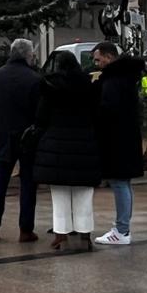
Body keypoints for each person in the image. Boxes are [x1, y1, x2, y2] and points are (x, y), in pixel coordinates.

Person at [33, 50, 100, 251]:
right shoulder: (88, 85)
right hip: (84, 144)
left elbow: (41, 117)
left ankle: (60, 234)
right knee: (84, 192)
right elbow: (97, 115)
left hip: (57, 145)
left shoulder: (51, 86)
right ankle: (85, 234)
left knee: (60, 192)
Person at [0, 38, 42, 243]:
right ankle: (25, 230)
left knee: (0, 181)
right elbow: (38, 113)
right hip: (27, 138)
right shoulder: (34, 79)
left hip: (3, 137)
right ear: (27, 55)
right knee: (28, 183)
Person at [91, 44, 144, 246]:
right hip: (125, 137)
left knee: (119, 182)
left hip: (117, 139)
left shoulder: (114, 80)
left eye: (98, 59)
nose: (96, 64)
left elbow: (107, 109)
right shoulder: (126, 76)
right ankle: (122, 228)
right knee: (123, 183)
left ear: (109, 57)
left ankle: (122, 230)